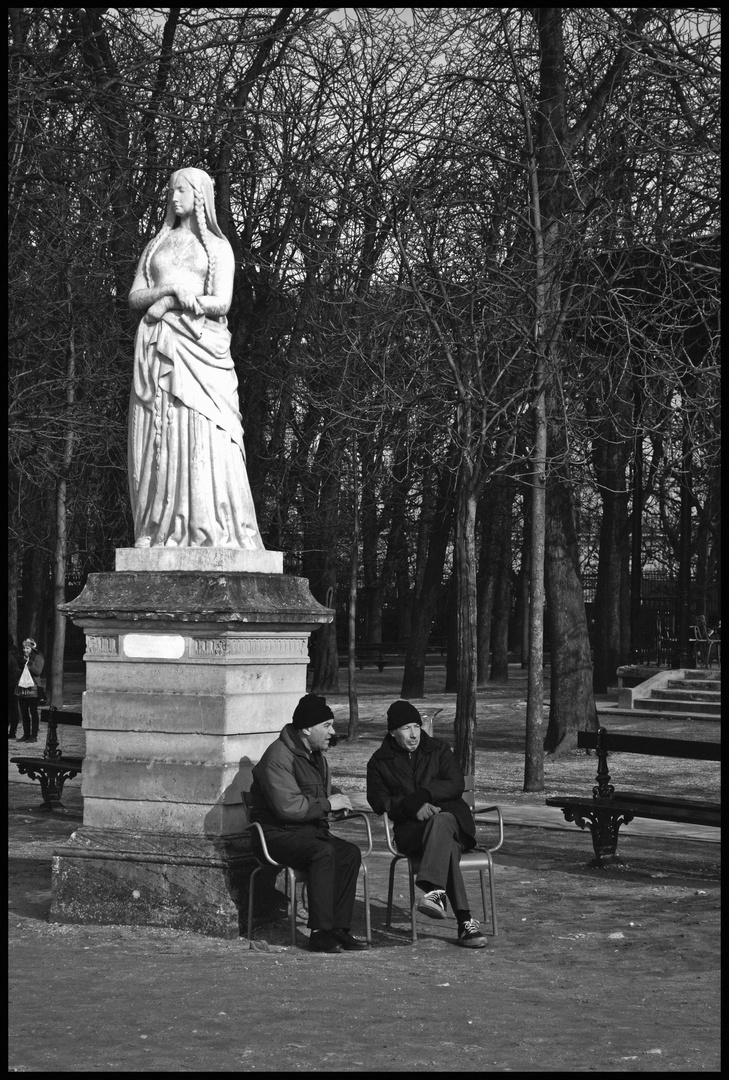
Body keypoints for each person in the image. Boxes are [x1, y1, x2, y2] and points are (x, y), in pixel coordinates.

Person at [128, 166, 264, 549]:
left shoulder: (217, 247)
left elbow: (222, 301)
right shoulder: (157, 245)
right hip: (158, 349)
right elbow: (135, 297)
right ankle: (160, 527)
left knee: (206, 435)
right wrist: (168, 288)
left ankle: (205, 525)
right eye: (171, 190)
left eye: (182, 191)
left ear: (200, 196)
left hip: (202, 350)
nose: (174, 198)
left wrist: (170, 302)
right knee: (163, 433)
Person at [248, 694, 370, 953]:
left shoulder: (315, 755)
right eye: (326, 725)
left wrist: (342, 803)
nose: (332, 732)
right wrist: (328, 805)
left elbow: (318, 796)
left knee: (349, 853)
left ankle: (339, 928)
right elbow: (288, 808)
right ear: (306, 729)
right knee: (323, 853)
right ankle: (320, 933)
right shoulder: (278, 756)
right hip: (276, 835)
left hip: (305, 832)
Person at [367, 700, 487, 949]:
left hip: (455, 820)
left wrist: (424, 795)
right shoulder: (379, 761)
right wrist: (412, 807)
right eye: (405, 728)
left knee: (441, 821)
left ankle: (435, 892)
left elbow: (455, 783)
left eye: (416, 726)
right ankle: (463, 921)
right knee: (447, 848)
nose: (413, 734)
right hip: (413, 830)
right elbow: (378, 801)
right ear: (392, 732)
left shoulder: (439, 749)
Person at [14, 638, 45, 743]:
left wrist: (28, 662)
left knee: (33, 712)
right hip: (22, 688)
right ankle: (26, 734)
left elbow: (38, 671)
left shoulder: (38, 657)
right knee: (24, 712)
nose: (25, 650)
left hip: (33, 688)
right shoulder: (22, 658)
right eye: (24, 648)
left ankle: (34, 735)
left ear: (32, 648)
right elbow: (18, 673)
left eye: (27, 648)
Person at [8, 636, 21, 738]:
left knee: (12, 709)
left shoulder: (10, 657)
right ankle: (12, 731)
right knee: (13, 709)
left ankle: (12, 732)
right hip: (13, 685)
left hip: (11, 685)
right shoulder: (13, 655)